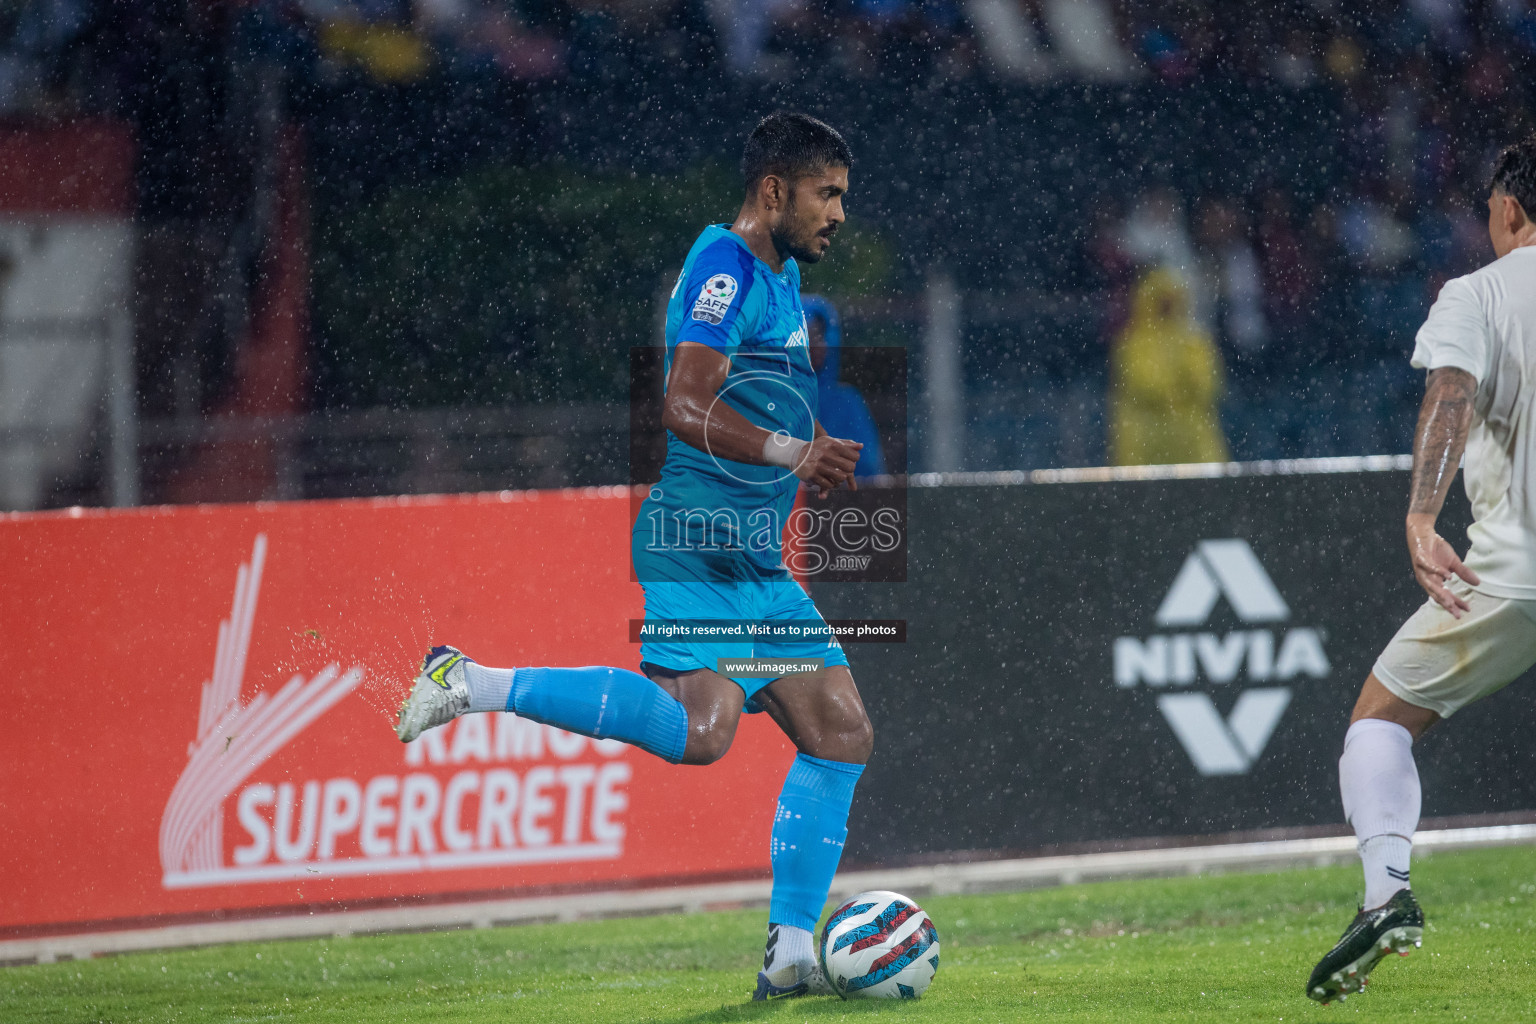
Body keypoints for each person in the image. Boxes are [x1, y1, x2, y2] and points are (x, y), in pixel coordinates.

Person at [395, 111, 873, 1001]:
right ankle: (470, 681)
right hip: (699, 544)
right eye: (827, 193)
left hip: (753, 561)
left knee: (840, 730)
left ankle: (791, 953)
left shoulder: (782, 276)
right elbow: (682, 405)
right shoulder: (724, 268)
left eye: (843, 194)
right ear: (775, 190)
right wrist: (794, 455)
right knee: (699, 734)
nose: (840, 212)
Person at [1306, 135, 1536, 1005]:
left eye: (1488, 210)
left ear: (1510, 211)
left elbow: (1449, 393)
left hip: (1514, 574)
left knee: (1381, 720)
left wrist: (1419, 514)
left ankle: (1384, 896)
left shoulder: (1477, 293)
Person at [1107, 266, 1229, 466]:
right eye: (1161, 301)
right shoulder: (1132, 343)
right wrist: (1178, 388)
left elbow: (1208, 387)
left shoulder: (1196, 341)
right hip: (1146, 441)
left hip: (1193, 441)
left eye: (1171, 300)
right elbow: (1145, 387)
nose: (1167, 307)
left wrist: (1174, 385)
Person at [802, 294, 887, 478]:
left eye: (819, 335)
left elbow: (867, 467)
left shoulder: (846, 401)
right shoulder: (773, 399)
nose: (816, 345)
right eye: (807, 336)